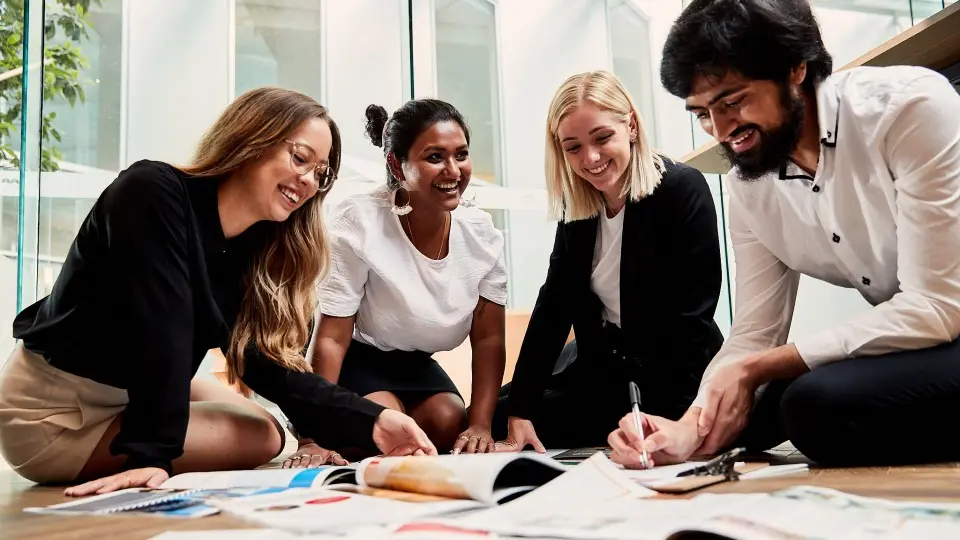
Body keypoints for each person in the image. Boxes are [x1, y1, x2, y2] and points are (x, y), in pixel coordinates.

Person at [0, 87, 436, 495]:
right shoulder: (149, 191)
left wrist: (375, 421)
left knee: (268, 428)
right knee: (262, 437)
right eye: (300, 158)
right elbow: (164, 327)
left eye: (320, 174)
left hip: (129, 392)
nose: (308, 180)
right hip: (52, 415)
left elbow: (267, 368)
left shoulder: (249, 251)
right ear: (251, 139)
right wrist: (153, 454)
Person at [609, 0, 960, 470]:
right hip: (925, 338)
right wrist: (691, 427)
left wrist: (756, 367)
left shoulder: (908, 108)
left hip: (947, 319)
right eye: (702, 114)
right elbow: (756, 330)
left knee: (811, 404)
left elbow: (936, 306)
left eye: (732, 102)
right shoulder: (748, 185)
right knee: (749, 414)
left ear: (795, 67)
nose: (721, 131)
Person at [491, 70, 724, 452]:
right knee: (496, 416)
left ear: (630, 125)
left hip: (676, 371)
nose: (591, 158)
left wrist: (679, 422)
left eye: (602, 138)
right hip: (602, 371)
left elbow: (692, 319)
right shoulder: (577, 205)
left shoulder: (682, 188)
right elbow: (554, 306)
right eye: (573, 148)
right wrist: (521, 412)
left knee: (648, 433)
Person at [286, 98, 508, 465]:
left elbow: (489, 339)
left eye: (461, 155)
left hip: (416, 364)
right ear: (396, 163)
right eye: (435, 157)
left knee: (449, 422)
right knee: (379, 426)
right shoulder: (360, 222)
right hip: (356, 358)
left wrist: (481, 426)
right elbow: (330, 338)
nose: (453, 170)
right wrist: (313, 437)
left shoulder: (482, 234)